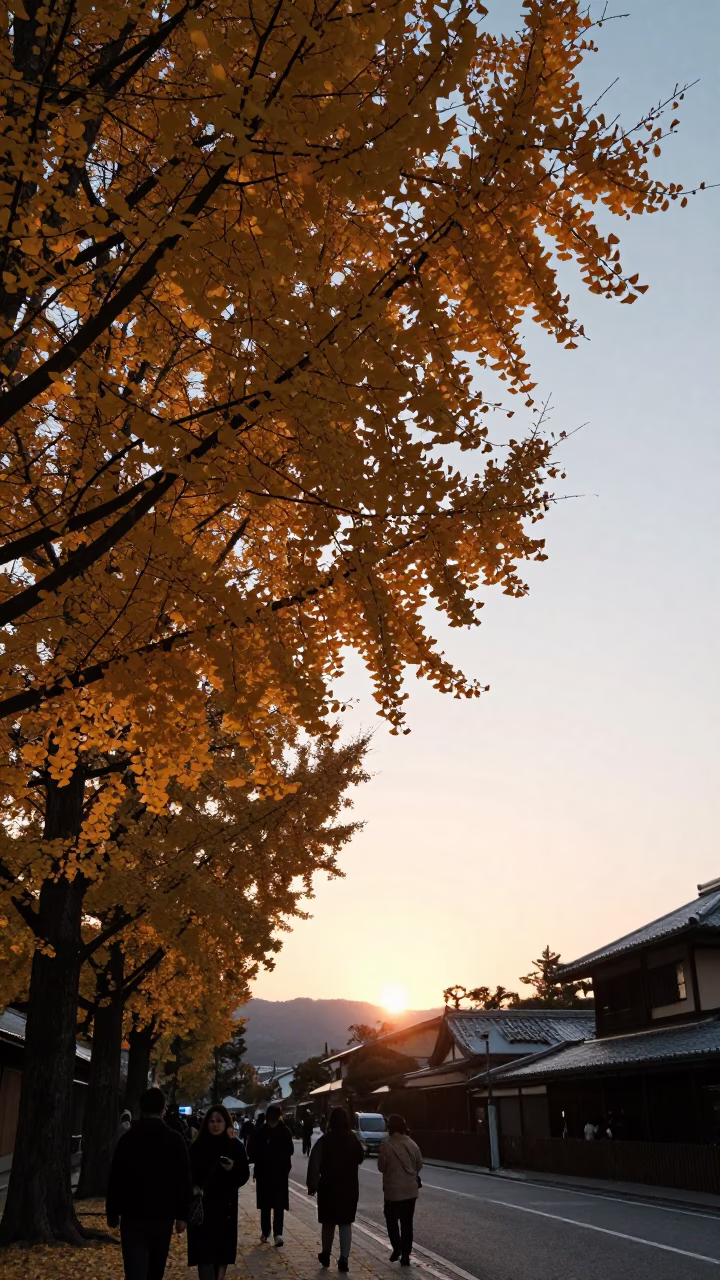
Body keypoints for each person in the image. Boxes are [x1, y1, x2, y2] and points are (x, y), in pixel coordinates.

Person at [106, 1085, 193, 1280]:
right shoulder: (175, 1140)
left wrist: (112, 1211)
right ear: (164, 1109)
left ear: (141, 1109)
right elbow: (184, 1179)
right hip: (162, 1215)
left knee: (135, 1270)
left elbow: (116, 1177)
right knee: (155, 1269)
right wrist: (182, 1215)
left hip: (132, 1214)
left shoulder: (128, 1140)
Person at [187, 1104, 250, 1280]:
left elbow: (243, 1175)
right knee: (204, 1254)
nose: (215, 1125)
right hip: (202, 1206)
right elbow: (189, 1174)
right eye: (212, 1121)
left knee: (222, 1253)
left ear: (226, 1123)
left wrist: (232, 1169)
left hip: (225, 1207)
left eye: (219, 1121)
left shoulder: (234, 1145)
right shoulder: (197, 1146)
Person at [307, 1106, 364, 1273]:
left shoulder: (324, 1141)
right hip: (349, 1187)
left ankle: (326, 1253)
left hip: (328, 1187)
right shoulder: (352, 1139)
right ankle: (344, 1258)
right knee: (346, 1223)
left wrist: (312, 1185)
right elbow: (360, 1158)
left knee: (328, 1223)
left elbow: (314, 1164)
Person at [377, 1114, 422, 1266]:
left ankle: (397, 1248)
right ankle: (406, 1256)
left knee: (391, 1220)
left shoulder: (386, 1145)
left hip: (392, 1192)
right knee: (407, 1223)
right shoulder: (412, 1144)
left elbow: (381, 1167)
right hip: (410, 1191)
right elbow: (419, 1165)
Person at [248, 1103, 294, 1246]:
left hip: (268, 1172)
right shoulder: (282, 1131)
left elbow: (251, 1151)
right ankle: (274, 1233)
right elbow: (290, 1150)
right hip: (274, 1172)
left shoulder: (264, 1131)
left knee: (269, 1205)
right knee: (273, 1204)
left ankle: (269, 1232)